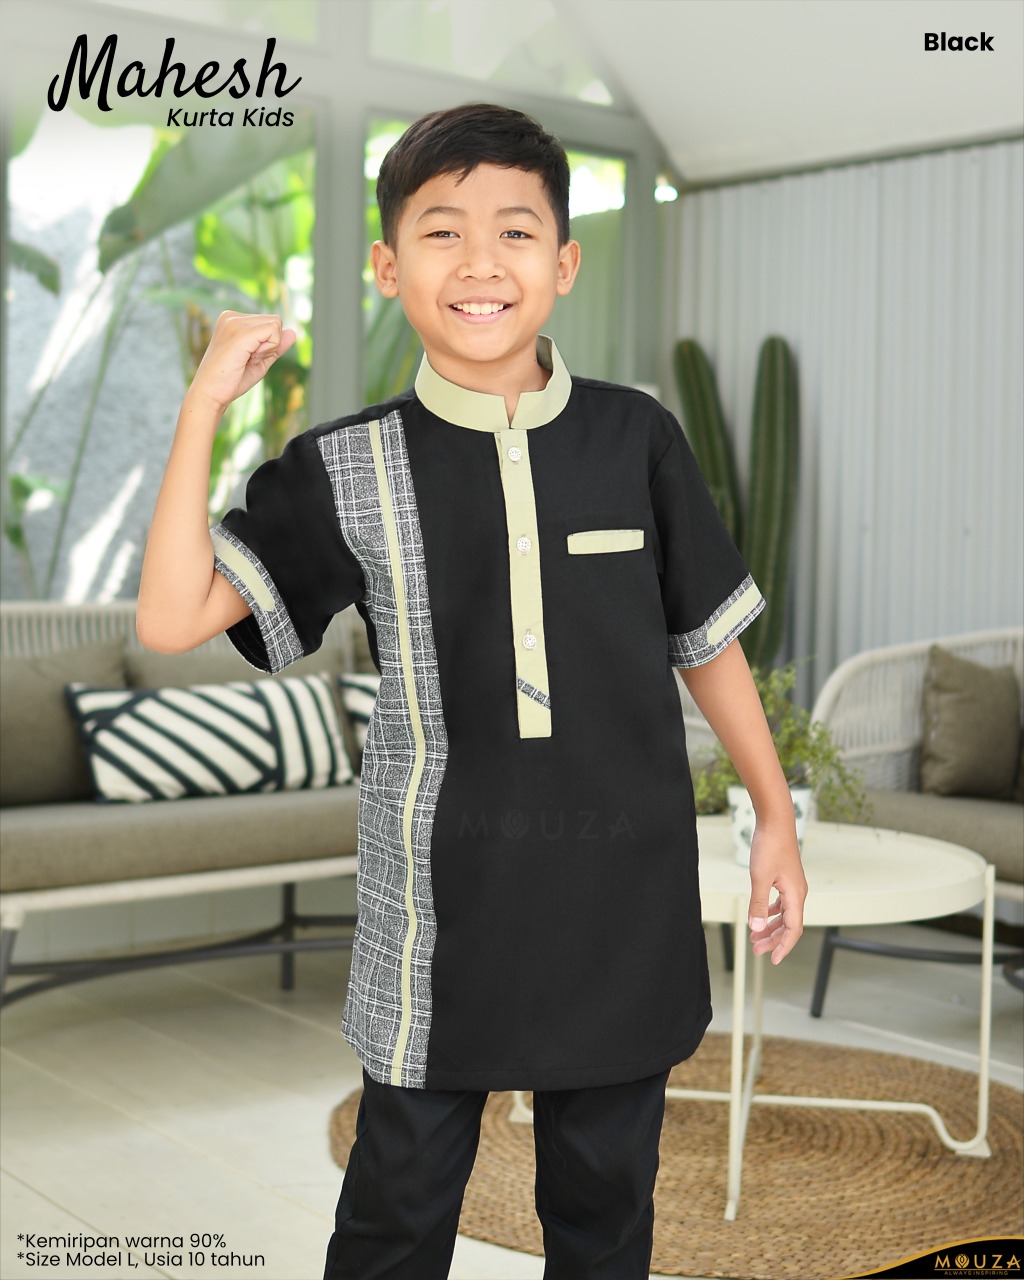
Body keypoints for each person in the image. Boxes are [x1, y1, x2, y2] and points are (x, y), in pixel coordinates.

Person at [137, 102, 808, 1280]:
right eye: (442, 232)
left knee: (605, 1220)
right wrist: (205, 405)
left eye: (515, 231)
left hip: (621, 901)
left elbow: (702, 641)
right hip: (436, 917)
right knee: (392, 1222)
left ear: (564, 263)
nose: (481, 262)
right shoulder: (345, 464)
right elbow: (169, 616)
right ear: (388, 266)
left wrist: (774, 816)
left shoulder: (638, 438)